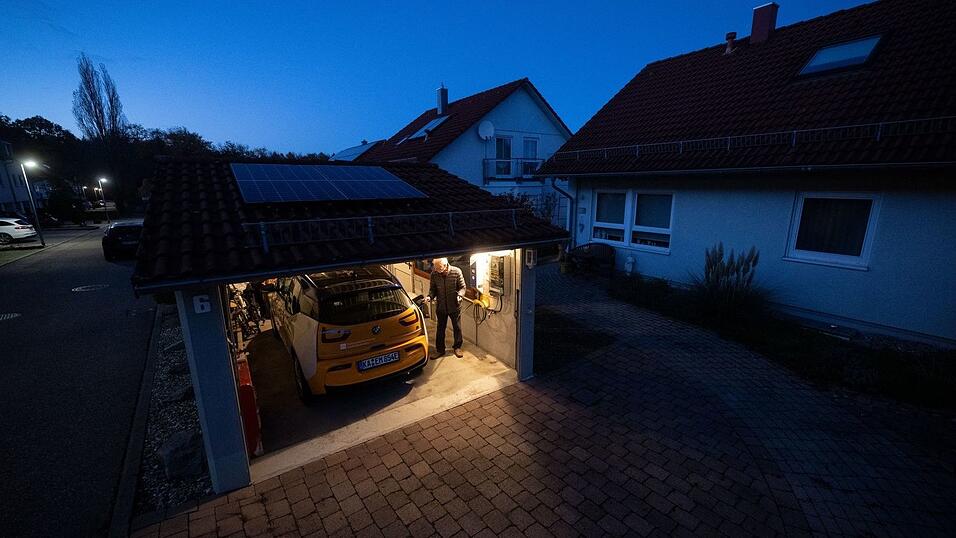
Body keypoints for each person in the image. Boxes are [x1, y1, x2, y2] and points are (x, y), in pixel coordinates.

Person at [427, 257, 465, 358]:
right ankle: (440, 350)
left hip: (454, 306)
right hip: (441, 307)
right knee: (440, 329)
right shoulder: (434, 274)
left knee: (457, 327)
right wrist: (429, 297)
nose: (436, 270)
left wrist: (460, 295)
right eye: (435, 268)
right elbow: (432, 290)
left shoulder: (456, 272)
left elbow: (462, 287)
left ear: (445, 265)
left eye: (438, 268)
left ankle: (457, 347)